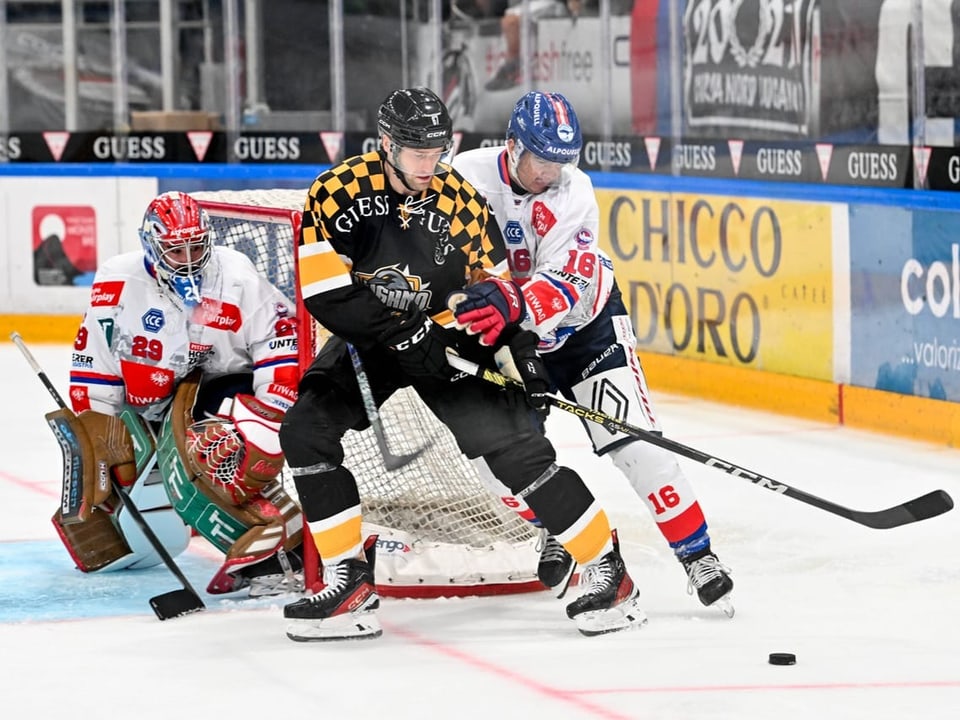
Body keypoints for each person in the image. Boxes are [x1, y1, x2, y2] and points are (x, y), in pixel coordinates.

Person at [279, 86, 644, 641]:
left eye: (438, 153)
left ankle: (607, 572)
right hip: (373, 340)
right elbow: (326, 294)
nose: (430, 166)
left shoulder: (460, 199)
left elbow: (494, 290)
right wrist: (403, 334)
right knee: (306, 431)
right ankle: (348, 582)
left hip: (447, 344)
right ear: (386, 145)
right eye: (418, 154)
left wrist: (522, 357)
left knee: (519, 453)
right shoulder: (337, 190)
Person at [450, 91, 735, 615]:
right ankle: (562, 528)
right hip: (510, 340)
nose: (553, 172)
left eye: (563, 160)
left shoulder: (574, 192)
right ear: (513, 147)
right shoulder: (463, 175)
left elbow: (564, 284)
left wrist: (509, 301)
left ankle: (699, 558)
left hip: (585, 331)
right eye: (543, 159)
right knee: (499, 467)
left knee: (638, 448)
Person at [57, 190, 304, 598]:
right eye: (176, 250)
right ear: (151, 247)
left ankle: (282, 545)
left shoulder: (235, 275)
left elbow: (277, 340)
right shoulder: (118, 281)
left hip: (225, 386)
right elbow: (95, 360)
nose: (189, 259)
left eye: (196, 246)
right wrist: (98, 429)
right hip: (151, 402)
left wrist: (268, 417)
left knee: (217, 451)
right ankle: (249, 531)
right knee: (127, 476)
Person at [485, 0, 586, 91]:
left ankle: (513, 67)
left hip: (554, 4)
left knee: (511, 20)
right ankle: (513, 64)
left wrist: (575, 6)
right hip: (534, 4)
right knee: (509, 16)